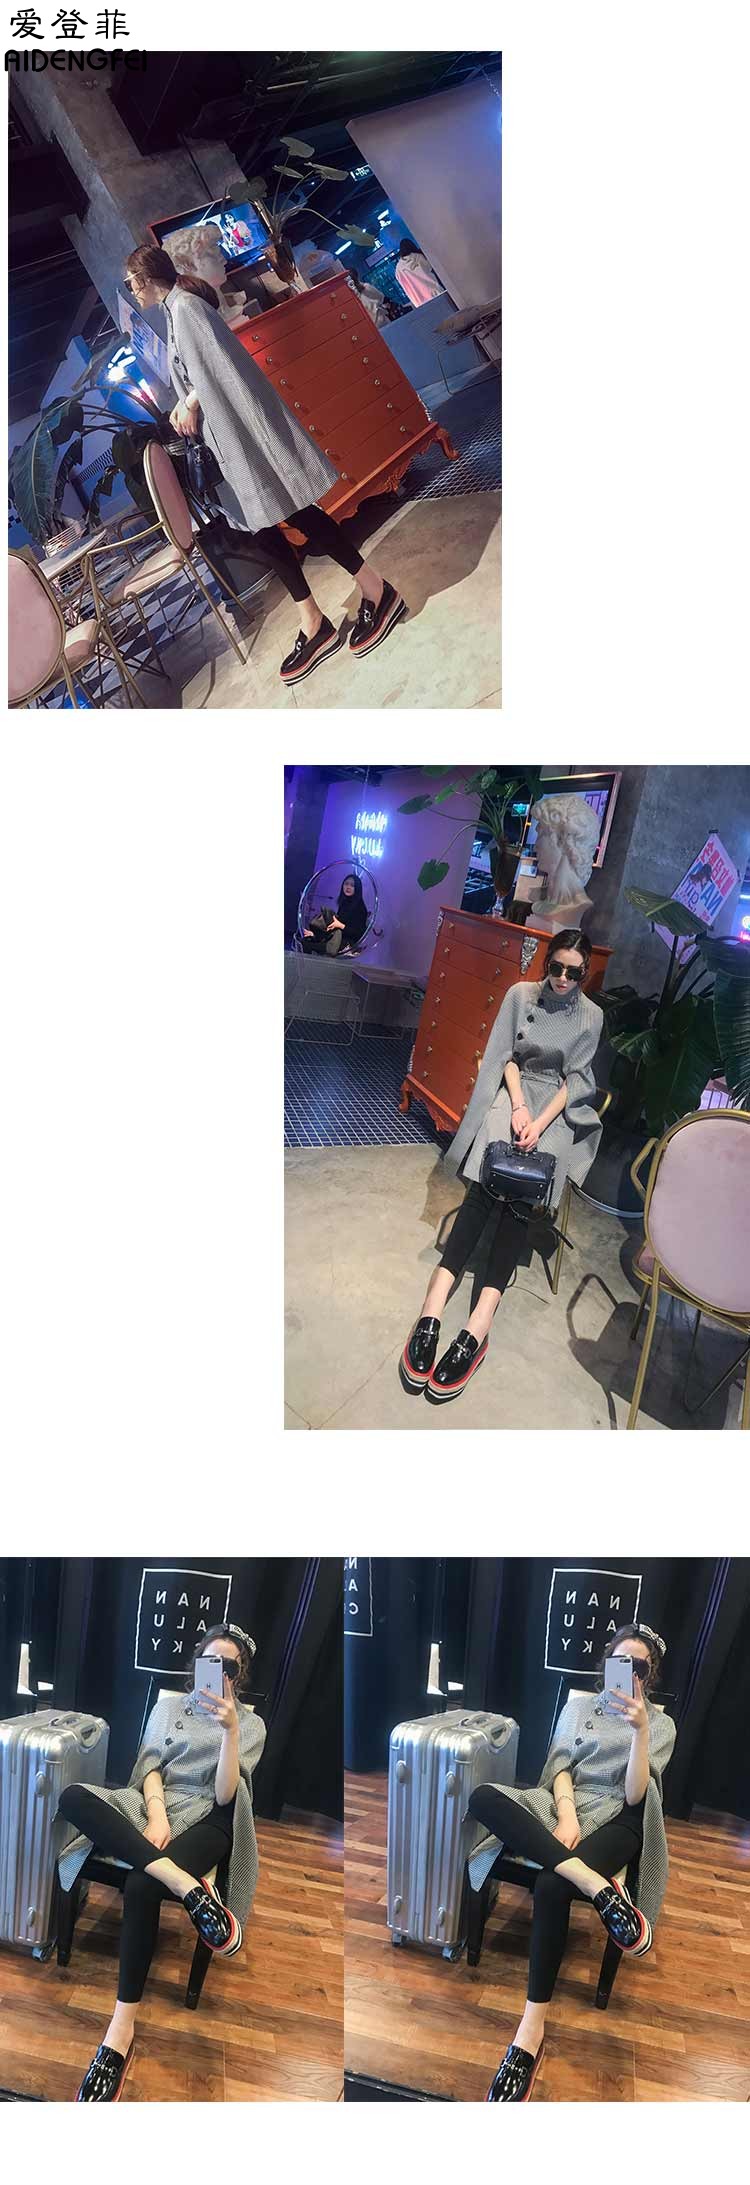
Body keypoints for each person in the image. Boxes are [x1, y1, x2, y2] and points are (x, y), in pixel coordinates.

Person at [124, 246, 406, 685]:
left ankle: (375, 589)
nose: (131, 291)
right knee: (265, 526)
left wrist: (190, 403)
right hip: (228, 440)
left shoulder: (186, 309)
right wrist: (187, 401)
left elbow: (219, 367)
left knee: (294, 514)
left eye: (130, 283)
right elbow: (202, 372)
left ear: (144, 279)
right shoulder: (174, 311)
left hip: (241, 437)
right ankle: (313, 618)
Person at [56, 1623, 265, 2103]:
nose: (219, 1672)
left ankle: (120, 2031)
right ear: (197, 1664)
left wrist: (230, 1730)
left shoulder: (250, 1726)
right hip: (158, 1802)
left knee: (141, 1886)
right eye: (211, 1661)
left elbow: (226, 1795)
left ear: (239, 1674)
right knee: (72, 1797)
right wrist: (155, 1813)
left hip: (210, 1816)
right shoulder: (169, 1707)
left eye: (229, 1666)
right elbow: (149, 1767)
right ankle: (188, 1887)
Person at [466, 1624, 676, 2102]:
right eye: (621, 1662)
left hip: (619, 1817)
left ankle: (530, 2031)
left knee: (551, 1885)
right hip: (568, 1803)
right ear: (607, 1662)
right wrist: (565, 1814)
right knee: (482, 1797)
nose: (629, 1673)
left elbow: (636, 1796)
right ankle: (599, 1888)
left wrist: (640, 1731)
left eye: (639, 1666)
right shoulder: (579, 1707)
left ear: (649, 1674)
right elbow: (559, 1768)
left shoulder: (660, 1726)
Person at [400, 931, 602, 1402]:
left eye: (573, 972)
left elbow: (576, 1081)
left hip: (554, 1108)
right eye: (556, 968)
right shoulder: (520, 995)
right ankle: (432, 1307)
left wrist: (539, 1121)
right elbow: (504, 1056)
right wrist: (517, 1107)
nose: (563, 979)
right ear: (547, 964)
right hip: (514, 1094)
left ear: (584, 972)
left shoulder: (591, 1016)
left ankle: (480, 1320)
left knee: (521, 1198)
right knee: (484, 1186)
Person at [302, 872, 369, 956]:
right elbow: (335, 928)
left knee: (307, 945)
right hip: (336, 939)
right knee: (306, 940)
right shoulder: (344, 904)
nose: (348, 887)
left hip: (346, 944)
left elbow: (359, 934)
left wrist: (341, 925)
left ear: (357, 888)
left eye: (352, 885)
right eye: (346, 884)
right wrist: (315, 935)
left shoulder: (360, 908)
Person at [393, 237, 446, 308]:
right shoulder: (419, 256)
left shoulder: (398, 269)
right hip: (434, 291)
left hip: (419, 300)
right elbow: (430, 268)